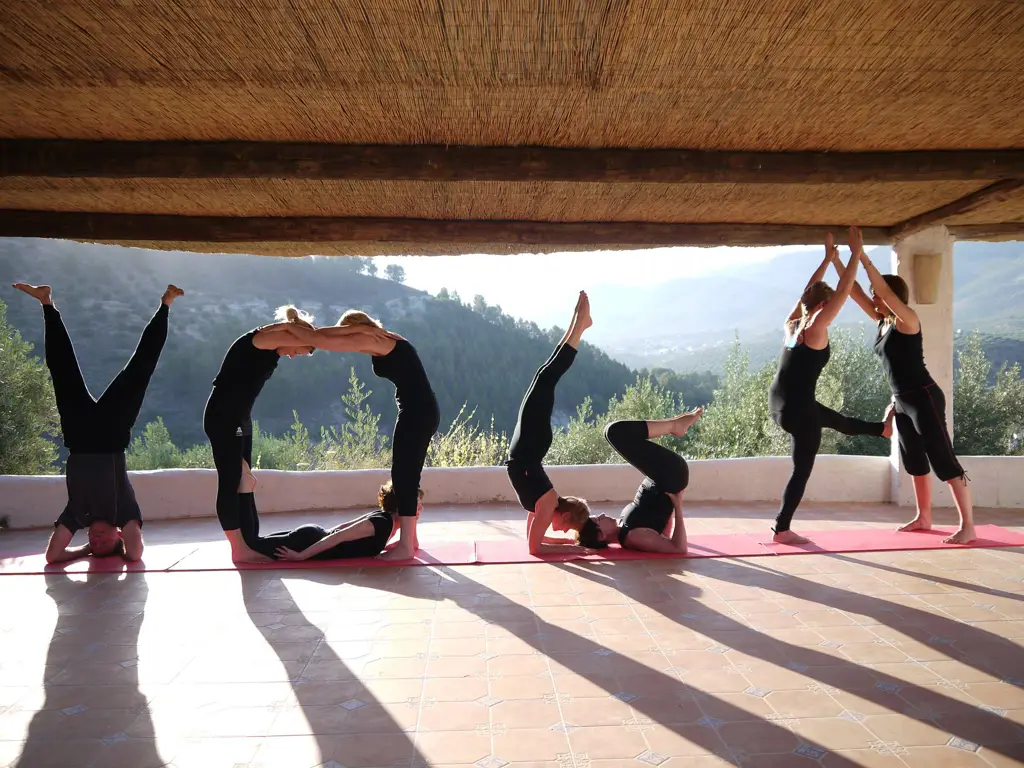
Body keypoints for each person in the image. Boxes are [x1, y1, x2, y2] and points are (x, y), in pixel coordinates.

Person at [13, 282, 183, 564]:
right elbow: (136, 553)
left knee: (61, 368)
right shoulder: (124, 513)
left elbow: (52, 557)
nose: (96, 539)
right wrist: (116, 551)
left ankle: (46, 303)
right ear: (119, 536)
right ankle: (166, 305)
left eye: (93, 542)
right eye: (105, 542)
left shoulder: (76, 514)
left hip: (78, 437)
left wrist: (83, 552)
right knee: (141, 368)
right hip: (111, 434)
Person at [204, 306, 390, 563]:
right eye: (299, 351)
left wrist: (357, 331)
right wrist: (354, 331)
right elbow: (307, 336)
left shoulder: (274, 348)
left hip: (240, 417)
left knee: (245, 480)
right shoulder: (262, 338)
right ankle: (239, 550)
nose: (293, 356)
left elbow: (310, 338)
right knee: (230, 479)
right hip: (223, 415)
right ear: (296, 338)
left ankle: (249, 543)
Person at [834, 249, 977, 544]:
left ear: (891, 297)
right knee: (914, 461)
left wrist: (863, 257)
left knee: (944, 461)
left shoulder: (908, 321)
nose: (874, 298)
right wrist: (838, 260)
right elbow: (855, 292)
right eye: (875, 295)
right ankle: (924, 517)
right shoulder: (882, 322)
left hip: (924, 398)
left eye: (879, 295)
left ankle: (968, 526)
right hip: (902, 400)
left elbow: (882, 290)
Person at [273, 311, 439, 561]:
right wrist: (307, 332)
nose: (350, 343)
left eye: (349, 334)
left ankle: (405, 547)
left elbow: (325, 340)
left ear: (355, 329)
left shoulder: (374, 339)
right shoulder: (383, 339)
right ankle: (410, 540)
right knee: (407, 475)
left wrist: (298, 332)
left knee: (404, 476)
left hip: (417, 412)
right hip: (420, 410)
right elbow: (328, 336)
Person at [767, 228, 894, 544]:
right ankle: (782, 529)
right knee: (802, 470)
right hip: (797, 411)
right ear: (823, 306)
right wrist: (855, 253)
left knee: (835, 421)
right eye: (829, 305)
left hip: (780, 405)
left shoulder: (792, 326)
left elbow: (806, 292)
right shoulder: (818, 326)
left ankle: (882, 430)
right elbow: (845, 288)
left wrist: (827, 259)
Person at [506, 291, 595, 555]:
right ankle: (579, 325)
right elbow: (536, 548)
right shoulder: (547, 504)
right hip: (531, 445)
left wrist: (568, 544)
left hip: (529, 447)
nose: (561, 531)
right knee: (546, 378)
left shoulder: (546, 505)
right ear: (565, 515)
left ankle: (577, 324)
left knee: (543, 376)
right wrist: (575, 551)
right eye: (567, 529)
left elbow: (532, 542)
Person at [578, 411, 702, 554]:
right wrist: (678, 507)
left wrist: (669, 510)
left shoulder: (624, 527)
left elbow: (661, 531)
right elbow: (678, 549)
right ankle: (674, 425)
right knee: (614, 432)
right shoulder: (634, 537)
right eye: (599, 519)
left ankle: (675, 424)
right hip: (670, 475)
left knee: (611, 432)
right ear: (601, 535)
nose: (603, 514)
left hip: (661, 476)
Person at [270, 481, 419, 561]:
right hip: (309, 541)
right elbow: (338, 536)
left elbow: (342, 527)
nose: (420, 509)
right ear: (401, 508)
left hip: (316, 536)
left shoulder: (387, 520)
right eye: (416, 505)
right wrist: (300, 556)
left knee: (258, 547)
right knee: (253, 549)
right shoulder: (382, 523)